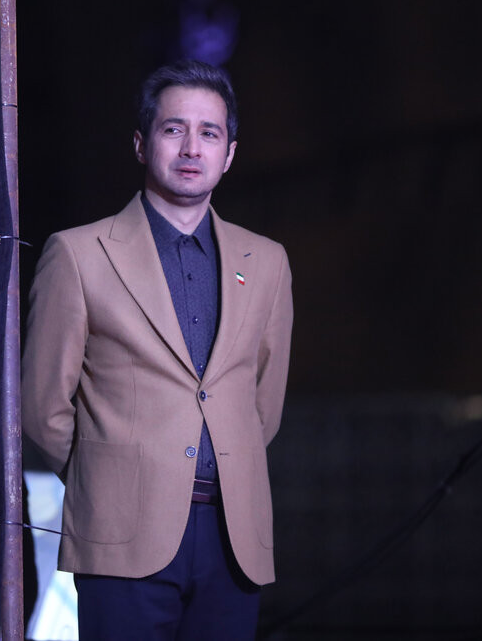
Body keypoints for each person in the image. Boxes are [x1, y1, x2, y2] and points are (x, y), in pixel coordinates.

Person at [21, 59, 294, 640]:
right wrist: (110, 476)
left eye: (209, 133)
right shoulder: (78, 254)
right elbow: (43, 407)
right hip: (121, 531)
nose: (192, 147)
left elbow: (263, 405)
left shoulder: (267, 261)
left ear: (230, 153)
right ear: (142, 144)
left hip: (233, 537)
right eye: (174, 129)